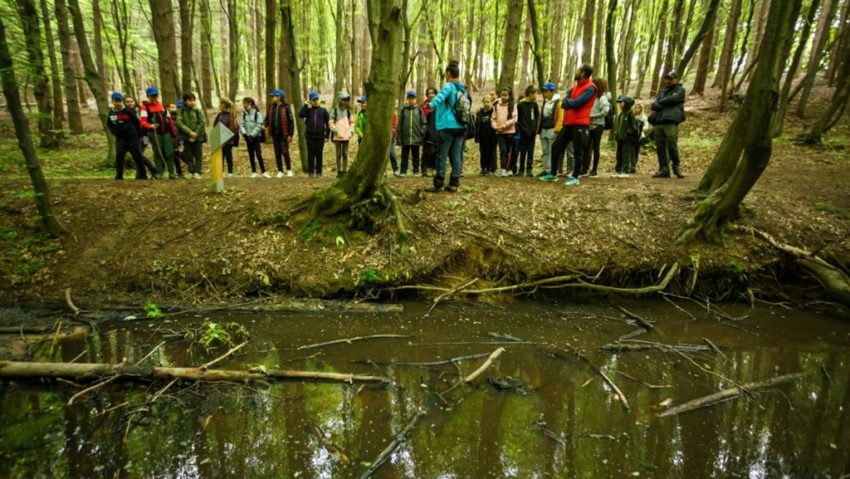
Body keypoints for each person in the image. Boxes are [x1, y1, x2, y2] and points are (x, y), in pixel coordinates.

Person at [541, 64, 597, 186]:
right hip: (568, 123)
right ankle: (553, 174)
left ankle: (575, 177)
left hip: (581, 124)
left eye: (578, 70)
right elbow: (564, 102)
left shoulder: (591, 88)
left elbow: (577, 103)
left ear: (582, 73)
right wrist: (570, 103)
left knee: (578, 150)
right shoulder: (574, 88)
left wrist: (570, 103)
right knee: (556, 147)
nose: (576, 72)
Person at [425, 60, 468, 193]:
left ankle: (438, 184)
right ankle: (454, 183)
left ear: (448, 73)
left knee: (442, 155)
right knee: (456, 156)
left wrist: (430, 105)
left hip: (447, 126)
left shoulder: (448, 86)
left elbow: (440, 97)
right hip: (461, 126)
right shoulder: (463, 88)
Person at [651, 70, 686, 178]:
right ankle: (664, 169)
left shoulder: (680, 90)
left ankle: (676, 167)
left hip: (671, 120)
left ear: (676, 79)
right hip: (658, 121)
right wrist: (666, 102)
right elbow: (654, 106)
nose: (668, 81)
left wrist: (661, 102)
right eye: (667, 79)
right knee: (660, 146)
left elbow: (674, 99)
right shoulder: (662, 91)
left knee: (672, 144)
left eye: (671, 79)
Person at [107, 92, 148, 180]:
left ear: (122, 101)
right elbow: (109, 124)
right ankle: (119, 175)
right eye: (115, 101)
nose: (118, 103)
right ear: (112, 101)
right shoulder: (111, 112)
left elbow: (137, 122)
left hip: (132, 138)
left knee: (138, 156)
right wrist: (114, 132)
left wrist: (137, 134)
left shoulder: (128, 111)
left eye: (119, 101)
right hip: (120, 139)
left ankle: (143, 175)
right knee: (119, 157)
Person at [140, 86, 178, 179]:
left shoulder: (162, 105)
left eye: (155, 95)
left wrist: (173, 131)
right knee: (158, 152)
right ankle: (159, 173)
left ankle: (172, 173)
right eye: (152, 96)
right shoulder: (145, 107)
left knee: (169, 152)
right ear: (148, 96)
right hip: (154, 133)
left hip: (166, 132)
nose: (154, 97)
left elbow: (169, 119)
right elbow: (143, 121)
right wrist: (150, 126)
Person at [263, 89, 295, 177]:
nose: (272, 98)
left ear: (279, 97)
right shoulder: (271, 106)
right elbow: (267, 118)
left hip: (284, 134)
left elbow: (291, 122)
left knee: (285, 152)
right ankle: (280, 171)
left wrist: (290, 134)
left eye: (273, 96)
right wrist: (264, 125)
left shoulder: (286, 107)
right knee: (277, 152)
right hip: (275, 134)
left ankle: (289, 170)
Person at [299, 91, 330, 177]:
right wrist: (305, 105)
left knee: (319, 154)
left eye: (316, 99)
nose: (315, 101)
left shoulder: (323, 111)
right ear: (310, 101)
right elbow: (300, 115)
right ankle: (311, 172)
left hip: (320, 137)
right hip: (309, 136)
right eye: (313, 100)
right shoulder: (308, 110)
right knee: (311, 154)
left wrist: (327, 136)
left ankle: (319, 172)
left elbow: (328, 124)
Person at [176, 93, 207, 179]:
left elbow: (202, 122)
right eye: (190, 100)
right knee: (188, 155)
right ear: (185, 102)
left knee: (198, 155)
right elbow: (179, 123)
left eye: (193, 100)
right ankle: (191, 171)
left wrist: (195, 134)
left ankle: (197, 171)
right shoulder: (181, 111)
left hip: (197, 137)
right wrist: (189, 132)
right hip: (186, 138)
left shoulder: (197, 111)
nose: (192, 102)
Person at [398, 90, 426, 177]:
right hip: (406, 137)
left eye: (413, 98)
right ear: (407, 99)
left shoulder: (419, 110)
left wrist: (422, 132)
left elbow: (424, 123)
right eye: (409, 98)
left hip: (416, 137)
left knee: (416, 155)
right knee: (404, 156)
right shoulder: (403, 110)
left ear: (415, 99)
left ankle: (416, 171)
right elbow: (400, 124)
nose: (411, 100)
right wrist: (400, 136)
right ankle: (403, 171)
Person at [537, 83, 563, 178]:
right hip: (544, 129)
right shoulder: (546, 102)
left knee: (552, 150)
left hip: (552, 129)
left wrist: (557, 129)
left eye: (546, 91)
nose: (544, 93)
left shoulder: (558, 102)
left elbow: (561, 116)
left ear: (552, 91)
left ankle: (553, 170)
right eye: (544, 91)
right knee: (545, 151)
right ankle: (546, 169)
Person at [587, 78, 611, 177]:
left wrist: (592, 116)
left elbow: (605, 111)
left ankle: (594, 169)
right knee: (587, 147)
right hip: (590, 125)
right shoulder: (593, 97)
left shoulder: (602, 98)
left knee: (595, 147)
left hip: (598, 125)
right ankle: (585, 168)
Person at [240, 97, 268, 178]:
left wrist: (252, 135)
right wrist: (245, 134)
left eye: (245, 103)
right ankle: (254, 172)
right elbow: (241, 125)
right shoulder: (244, 114)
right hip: (247, 137)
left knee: (258, 154)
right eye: (243, 103)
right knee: (251, 154)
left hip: (256, 137)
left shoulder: (257, 114)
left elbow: (259, 125)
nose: (244, 105)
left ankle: (263, 171)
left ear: (250, 104)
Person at [492, 88, 517, 177]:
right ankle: (503, 168)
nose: (504, 97)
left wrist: (503, 126)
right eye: (502, 95)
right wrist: (495, 127)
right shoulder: (496, 105)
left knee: (509, 150)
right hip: (499, 132)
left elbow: (514, 119)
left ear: (509, 96)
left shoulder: (513, 105)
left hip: (509, 131)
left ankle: (510, 168)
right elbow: (493, 118)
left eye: (506, 95)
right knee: (503, 150)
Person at [614, 95, 640, 178]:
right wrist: (617, 134)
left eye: (622, 102)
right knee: (619, 154)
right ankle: (618, 170)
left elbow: (634, 127)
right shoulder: (621, 114)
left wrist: (627, 133)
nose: (620, 104)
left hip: (627, 138)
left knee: (626, 154)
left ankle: (625, 171)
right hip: (620, 138)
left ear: (627, 103)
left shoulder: (630, 114)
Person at [516, 85, 540, 177]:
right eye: (535, 94)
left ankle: (529, 169)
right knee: (523, 151)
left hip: (532, 132)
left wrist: (535, 129)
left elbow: (537, 117)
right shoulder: (521, 105)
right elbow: (520, 119)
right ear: (530, 94)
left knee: (531, 151)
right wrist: (525, 130)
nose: (536, 96)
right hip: (523, 132)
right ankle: (521, 169)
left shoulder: (534, 105)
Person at [329, 92, 354, 177]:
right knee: (338, 154)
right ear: (340, 100)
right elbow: (331, 122)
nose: (345, 102)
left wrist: (351, 131)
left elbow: (352, 122)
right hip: (337, 137)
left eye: (347, 100)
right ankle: (339, 171)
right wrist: (335, 131)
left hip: (346, 137)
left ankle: (344, 171)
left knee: (345, 154)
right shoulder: (335, 111)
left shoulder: (349, 111)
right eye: (344, 100)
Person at [213, 97, 239, 177]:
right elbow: (215, 126)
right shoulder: (219, 115)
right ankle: (221, 172)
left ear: (223, 105)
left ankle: (230, 172)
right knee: (220, 157)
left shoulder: (231, 115)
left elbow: (234, 129)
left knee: (228, 157)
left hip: (228, 141)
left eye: (220, 104)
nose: (219, 105)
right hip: (220, 140)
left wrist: (226, 139)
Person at [474, 95, 497, 176]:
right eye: (485, 102)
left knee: (490, 153)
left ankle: (490, 168)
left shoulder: (493, 113)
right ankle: (483, 167)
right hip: (482, 137)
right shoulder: (480, 113)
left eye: (488, 102)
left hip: (491, 137)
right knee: (483, 153)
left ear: (491, 103)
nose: (486, 104)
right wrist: (476, 136)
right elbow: (477, 125)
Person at [420, 87, 439, 177]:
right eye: (429, 93)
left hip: (437, 130)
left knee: (436, 151)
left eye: (433, 93)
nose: (431, 95)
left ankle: (434, 168)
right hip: (427, 131)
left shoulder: (439, 105)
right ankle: (424, 169)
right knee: (427, 151)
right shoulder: (423, 105)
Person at [632, 103, 649, 174]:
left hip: (639, 136)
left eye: (638, 108)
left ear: (641, 109)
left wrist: (639, 127)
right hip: (631, 136)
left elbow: (646, 127)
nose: (637, 109)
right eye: (636, 107)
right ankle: (630, 165)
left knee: (636, 151)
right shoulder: (632, 116)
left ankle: (633, 165)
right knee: (631, 151)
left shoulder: (644, 117)